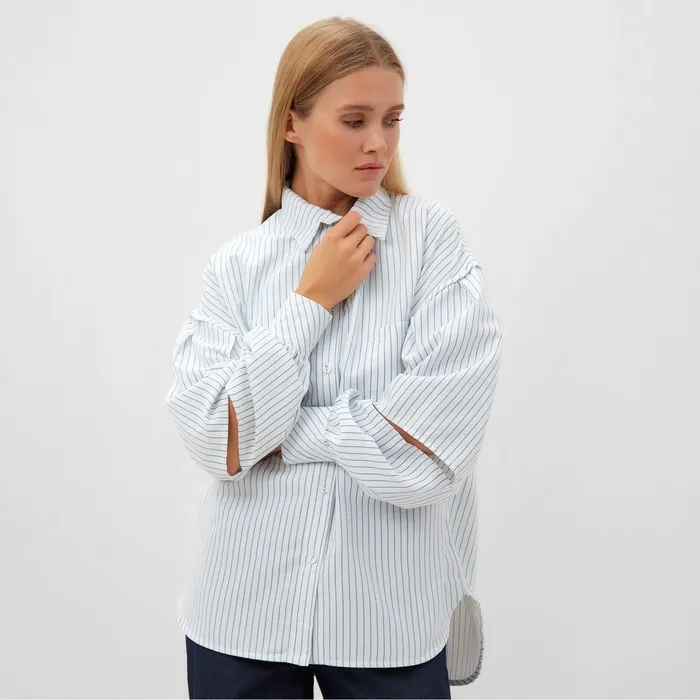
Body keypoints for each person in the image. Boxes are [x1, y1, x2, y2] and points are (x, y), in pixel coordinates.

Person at [165, 15, 503, 700]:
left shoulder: (432, 245)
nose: (378, 142)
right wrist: (311, 301)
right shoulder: (237, 266)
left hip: (390, 621)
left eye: (392, 119)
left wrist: (283, 436)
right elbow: (215, 441)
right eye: (354, 120)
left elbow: (429, 455)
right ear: (293, 122)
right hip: (239, 613)